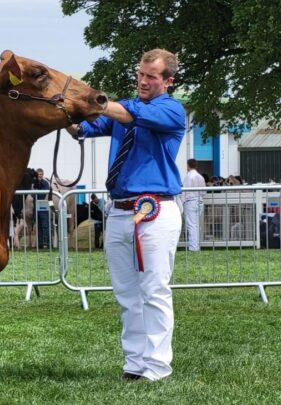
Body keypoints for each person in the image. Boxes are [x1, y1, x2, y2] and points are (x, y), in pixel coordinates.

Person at [67, 48, 185, 382]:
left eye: (152, 76)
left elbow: (125, 112)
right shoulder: (124, 112)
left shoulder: (171, 110)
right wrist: (69, 115)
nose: (143, 80)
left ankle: (158, 366)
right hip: (118, 210)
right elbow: (87, 128)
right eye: (141, 74)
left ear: (168, 81)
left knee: (154, 290)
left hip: (155, 210)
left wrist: (98, 102)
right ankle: (135, 364)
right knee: (127, 294)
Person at [182, 159, 206, 251]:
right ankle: (196, 245)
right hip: (199, 201)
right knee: (196, 225)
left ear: (188, 165)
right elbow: (204, 192)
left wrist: (182, 202)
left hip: (190, 202)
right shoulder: (200, 177)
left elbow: (185, 191)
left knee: (191, 225)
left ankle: (193, 246)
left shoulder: (188, 176)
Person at [11, 169, 34, 249]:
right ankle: (16, 242)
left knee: (18, 224)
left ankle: (16, 244)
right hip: (17, 209)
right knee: (20, 225)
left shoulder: (16, 185)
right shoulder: (24, 184)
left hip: (16, 209)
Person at [33, 168, 51, 249]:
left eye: (41, 174)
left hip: (43, 206)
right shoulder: (34, 184)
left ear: (43, 175)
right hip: (36, 207)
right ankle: (40, 244)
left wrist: (36, 193)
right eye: (38, 174)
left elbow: (43, 194)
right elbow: (32, 195)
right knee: (39, 226)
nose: (39, 176)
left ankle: (46, 243)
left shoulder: (46, 183)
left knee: (45, 226)